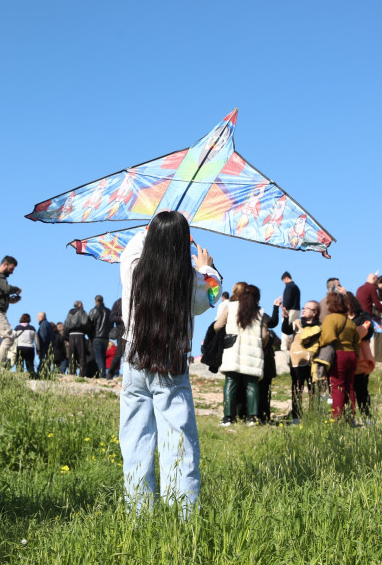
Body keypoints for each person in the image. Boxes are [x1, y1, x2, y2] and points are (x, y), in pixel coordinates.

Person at [118, 210, 221, 517]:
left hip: (135, 360)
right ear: (182, 244)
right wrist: (208, 266)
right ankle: (182, 516)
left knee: (135, 439)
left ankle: (139, 513)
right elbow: (211, 295)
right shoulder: (189, 279)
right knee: (179, 442)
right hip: (171, 364)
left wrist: (161, 226)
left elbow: (139, 241)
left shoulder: (132, 265)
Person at [216, 284, 267, 426]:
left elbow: (217, 326)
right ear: (257, 299)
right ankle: (253, 418)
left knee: (230, 384)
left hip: (232, 351)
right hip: (252, 352)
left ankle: (228, 418)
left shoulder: (230, 307)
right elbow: (264, 335)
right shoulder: (259, 312)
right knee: (252, 385)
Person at [319, 292, 359, 420]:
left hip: (338, 355)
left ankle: (337, 418)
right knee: (350, 386)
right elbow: (357, 341)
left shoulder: (330, 319)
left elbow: (328, 337)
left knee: (337, 387)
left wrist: (319, 342)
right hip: (351, 355)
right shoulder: (349, 321)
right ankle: (350, 417)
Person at [281, 300, 321, 422]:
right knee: (297, 389)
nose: (303, 310)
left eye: (308, 308)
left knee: (313, 390)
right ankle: (296, 416)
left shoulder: (319, 327)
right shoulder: (297, 323)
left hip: (313, 362)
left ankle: (314, 415)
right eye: (304, 307)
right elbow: (286, 330)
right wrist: (286, 318)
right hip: (297, 362)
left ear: (315, 312)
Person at [347, 292, 375, 421]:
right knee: (348, 390)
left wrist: (356, 333)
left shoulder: (363, 316)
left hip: (361, 357)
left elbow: (369, 333)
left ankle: (366, 417)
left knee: (362, 389)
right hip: (347, 356)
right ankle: (348, 417)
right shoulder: (341, 318)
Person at [64, 300, 90, 376]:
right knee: (82, 356)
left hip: (71, 335)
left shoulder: (69, 313)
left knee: (72, 356)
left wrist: (66, 338)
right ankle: (82, 374)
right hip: (80, 335)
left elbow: (66, 325)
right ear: (80, 305)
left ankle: (71, 373)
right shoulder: (82, 312)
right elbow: (85, 323)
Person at [89, 295, 112, 378]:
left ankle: (102, 374)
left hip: (96, 337)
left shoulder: (94, 311)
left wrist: (90, 335)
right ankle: (103, 374)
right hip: (106, 337)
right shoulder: (108, 311)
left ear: (95, 301)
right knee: (102, 356)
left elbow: (90, 324)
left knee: (99, 357)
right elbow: (111, 324)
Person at [108, 299, 124, 379]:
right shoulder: (118, 302)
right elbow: (112, 317)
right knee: (119, 353)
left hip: (134, 330)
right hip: (121, 330)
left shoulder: (137, 300)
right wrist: (121, 318)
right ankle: (110, 373)